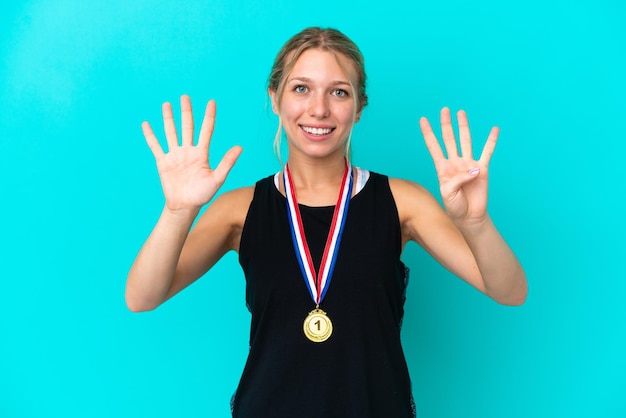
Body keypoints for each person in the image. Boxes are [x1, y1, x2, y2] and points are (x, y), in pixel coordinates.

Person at [126, 27, 527, 418]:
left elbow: (509, 291)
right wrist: (178, 213)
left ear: (359, 107)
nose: (319, 109)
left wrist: (475, 222)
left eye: (339, 92)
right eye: (301, 88)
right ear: (276, 99)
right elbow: (142, 297)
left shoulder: (403, 203)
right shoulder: (241, 209)